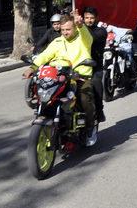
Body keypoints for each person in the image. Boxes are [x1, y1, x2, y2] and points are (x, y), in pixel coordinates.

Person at [22, 11, 97, 144]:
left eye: (68, 29)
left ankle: (91, 127)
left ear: (74, 28)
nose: (65, 32)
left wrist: (81, 25)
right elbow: (45, 55)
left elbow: (86, 35)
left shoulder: (83, 38)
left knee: (85, 98)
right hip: (59, 78)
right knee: (45, 96)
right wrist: (32, 68)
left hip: (79, 77)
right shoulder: (57, 41)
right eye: (63, 30)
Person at [83, 7, 107, 123]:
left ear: (96, 18)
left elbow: (91, 38)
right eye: (86, 18)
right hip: (77, 67)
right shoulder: (76, 30)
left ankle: (99, 109)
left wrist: (79, 26)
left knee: (96, 85)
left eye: (91, 18)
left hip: (95, 67)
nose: (89, 20)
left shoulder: (101, 31)